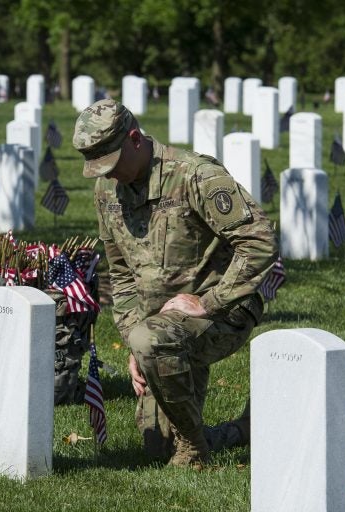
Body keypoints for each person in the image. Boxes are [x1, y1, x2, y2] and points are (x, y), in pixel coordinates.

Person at [72, 99, 278, 467]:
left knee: (154, 353)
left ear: (135, 139)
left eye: (113, 163)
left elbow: (259, 240)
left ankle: (195, 450)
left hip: (224, 312)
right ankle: (243, 430)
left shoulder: (194, 175)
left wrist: (209, 302)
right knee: (157, 447)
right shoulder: (107, 191)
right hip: (158, 326)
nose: (109, 175)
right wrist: (136, 339)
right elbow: (120, 275)